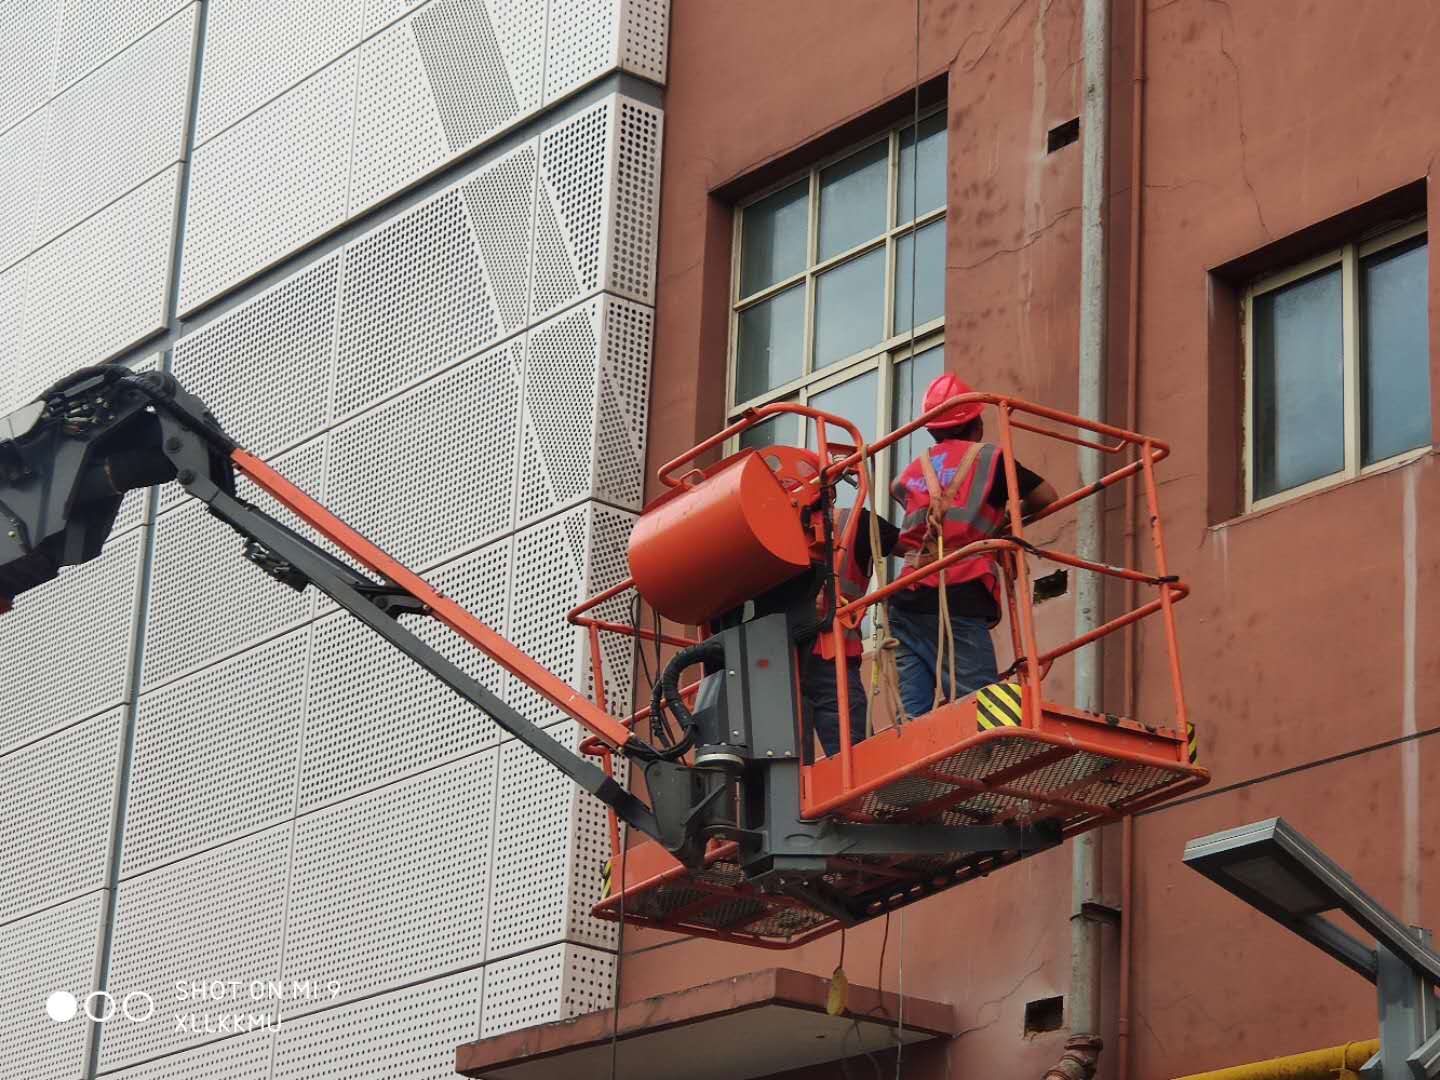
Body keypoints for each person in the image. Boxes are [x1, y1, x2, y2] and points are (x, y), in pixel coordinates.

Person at [888, 373, 1057, 719]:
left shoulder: (912, 470)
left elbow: (902, 495)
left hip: (906, 594)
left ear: (932, 430)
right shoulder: (989, 460)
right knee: (979, 707)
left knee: (915, 714)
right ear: (977, 424)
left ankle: (920, 760)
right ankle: (986, 756)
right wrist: (1002, 524)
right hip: (959, 591)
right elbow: (1046, 497)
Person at [799, 505, 898, 759]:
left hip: (806, 659)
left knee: (792, 761)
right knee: (850, 755)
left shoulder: (854, 522)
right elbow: (912, 545)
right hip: (816, 659)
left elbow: (911, 544)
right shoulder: (854, 522)